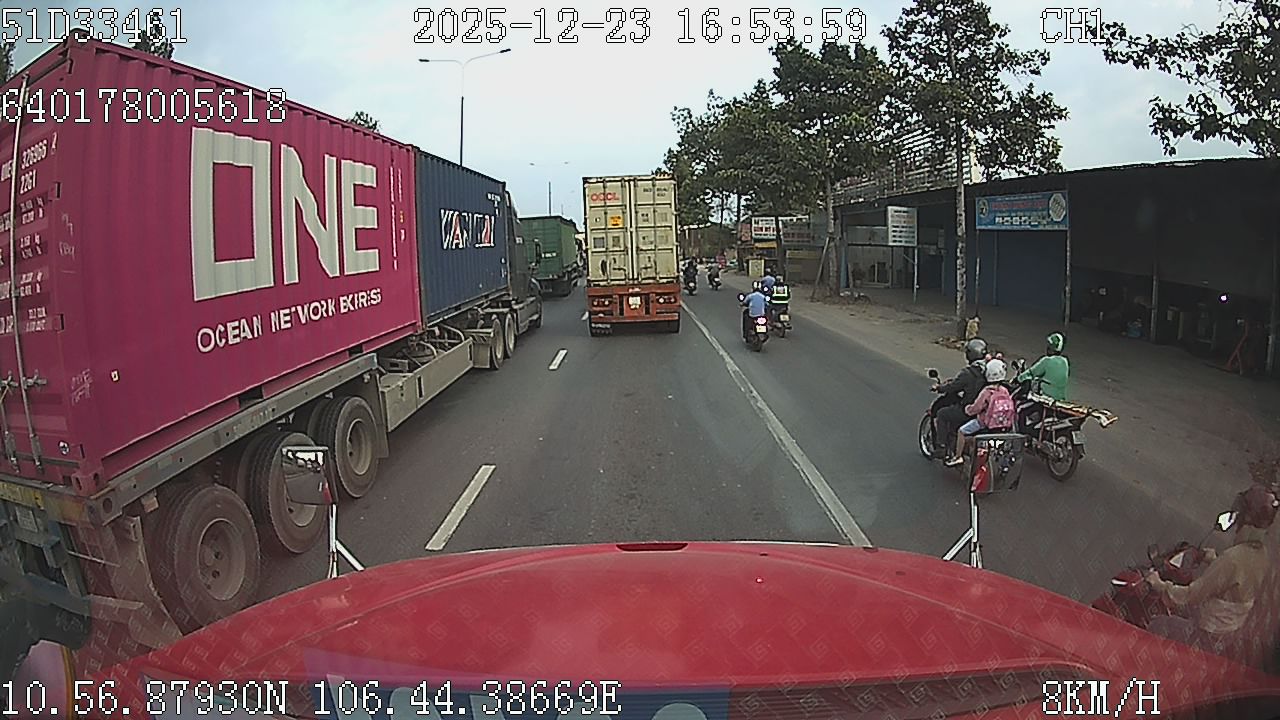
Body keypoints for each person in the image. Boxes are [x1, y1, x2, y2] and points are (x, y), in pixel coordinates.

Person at [1145, 484, 1279, 657]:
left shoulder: (1232, 558)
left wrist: (1159, 584)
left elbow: (1190, 595)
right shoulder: (1261, 555)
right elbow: (1237, 580)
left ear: (1243, 518)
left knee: (1158, 624)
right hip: (1228, 632)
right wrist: (1213, 560)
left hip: (1206, 635)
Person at [947, 358, 1016, 466]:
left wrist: (967, 409)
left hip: (984, 423)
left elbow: (976, 408)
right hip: (1003, 425)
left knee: (961, 431)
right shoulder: (1004, 390)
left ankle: (958, 457)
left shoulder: (987, 391)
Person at [932, 338, 989, 459]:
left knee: (942, 414)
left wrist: (939, 388)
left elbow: (953, 387)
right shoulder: (988, 370)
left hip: (968, 409)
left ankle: (941, 447)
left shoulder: (968, 373)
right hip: (984, 410)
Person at [1016, 332, 1069, 401]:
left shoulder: (1047, 361)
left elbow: (1031, 373)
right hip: (1060, 397)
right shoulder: (1065, 361)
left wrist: (1018, 379)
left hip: (1045, 396)